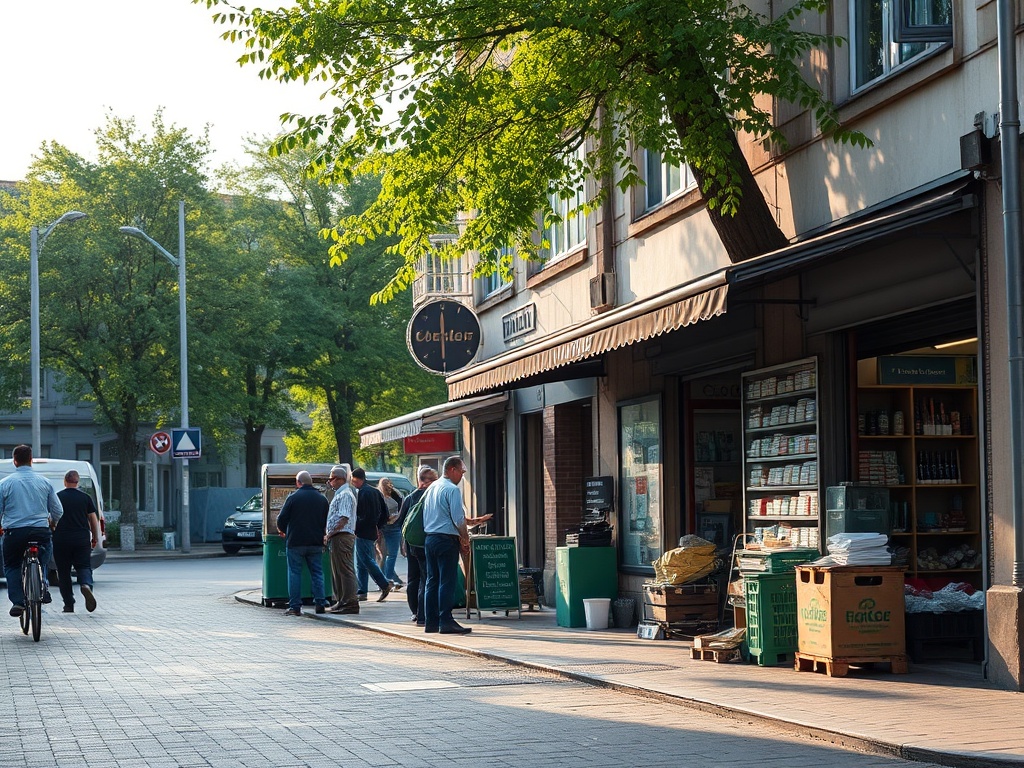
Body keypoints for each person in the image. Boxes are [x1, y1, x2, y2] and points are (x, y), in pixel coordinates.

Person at [0, 445, 62, 617]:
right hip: (40, 531)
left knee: (11, 565)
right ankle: (43, 584)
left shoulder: (5, 484)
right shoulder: (45, 482)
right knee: (43, 559)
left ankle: (18, 602)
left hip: (15, 532)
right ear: (31, 459)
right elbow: (58, 510)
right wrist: (53, 523)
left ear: (15, 461)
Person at [422, 455, 472, 635]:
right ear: (452, 469)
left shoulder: (432, 487)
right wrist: (464, 539)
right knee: (447, 580)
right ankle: (446, 620)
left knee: (432, 580)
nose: (462, 476)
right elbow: (458, 519)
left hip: (430, 538)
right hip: (445, 540)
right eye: (461, 471)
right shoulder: (452, 489)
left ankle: (431, 621)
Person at [276, 470, 329, 616]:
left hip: (295, 542)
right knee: (317, 573)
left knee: (294, 573)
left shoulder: (293, 497)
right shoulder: (322, 499)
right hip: (315, 542)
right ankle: (320, 603)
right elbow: (326, 521)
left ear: (298, 482)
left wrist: (282, 530)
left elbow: (281, 519)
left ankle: (295, 607)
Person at [53, 469, 100, 613]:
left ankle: (68, 604)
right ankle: (85, 584)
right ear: (77, 482)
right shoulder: (85, 498)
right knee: (84, 566)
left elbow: (51, 518)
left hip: (61, 540)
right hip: (81, 539)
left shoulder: (57, 497)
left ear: (65, 481)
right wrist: (95, 538)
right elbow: (93, 519)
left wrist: (53, 527)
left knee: (64, 572)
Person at [400, 465, 438, 625]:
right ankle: (423, 614)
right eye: (435, 480)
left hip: (411, 544)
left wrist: (403, 543)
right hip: (426, 543)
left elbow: (401, 522)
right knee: (426, 578)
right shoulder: (432, 496)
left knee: (413, 577)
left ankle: (414, 611)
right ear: (428, 481)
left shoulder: (410, 497)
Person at [350, 468, 391, 602]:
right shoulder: (375, 491)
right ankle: (362, 591)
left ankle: (383, 584)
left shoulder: (362, 493)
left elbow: (363, 516)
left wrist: (355, 528)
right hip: (371, 531)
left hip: (363, 531)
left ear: (356, 479)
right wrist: (378, 527)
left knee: (365, 559)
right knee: (363, 560)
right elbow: (385, 513)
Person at [324, 465, 359, 614]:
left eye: (331, 479)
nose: (329, 482)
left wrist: (330, 533)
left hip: (342, 536)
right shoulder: (341, 493)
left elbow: (344, 518)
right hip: (338, 536)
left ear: (339, 479)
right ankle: (341, 601)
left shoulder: (345, 494)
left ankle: (349, 602)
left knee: (345, 570)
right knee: (338, 570)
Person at [377, 477, 405, 589]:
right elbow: (402, 509)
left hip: (382, 527)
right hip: (394, 527)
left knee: (383, 556)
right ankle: (388, 579)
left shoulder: (378, 494)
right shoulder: (397, 494)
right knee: (391, 555)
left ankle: (385, 581)